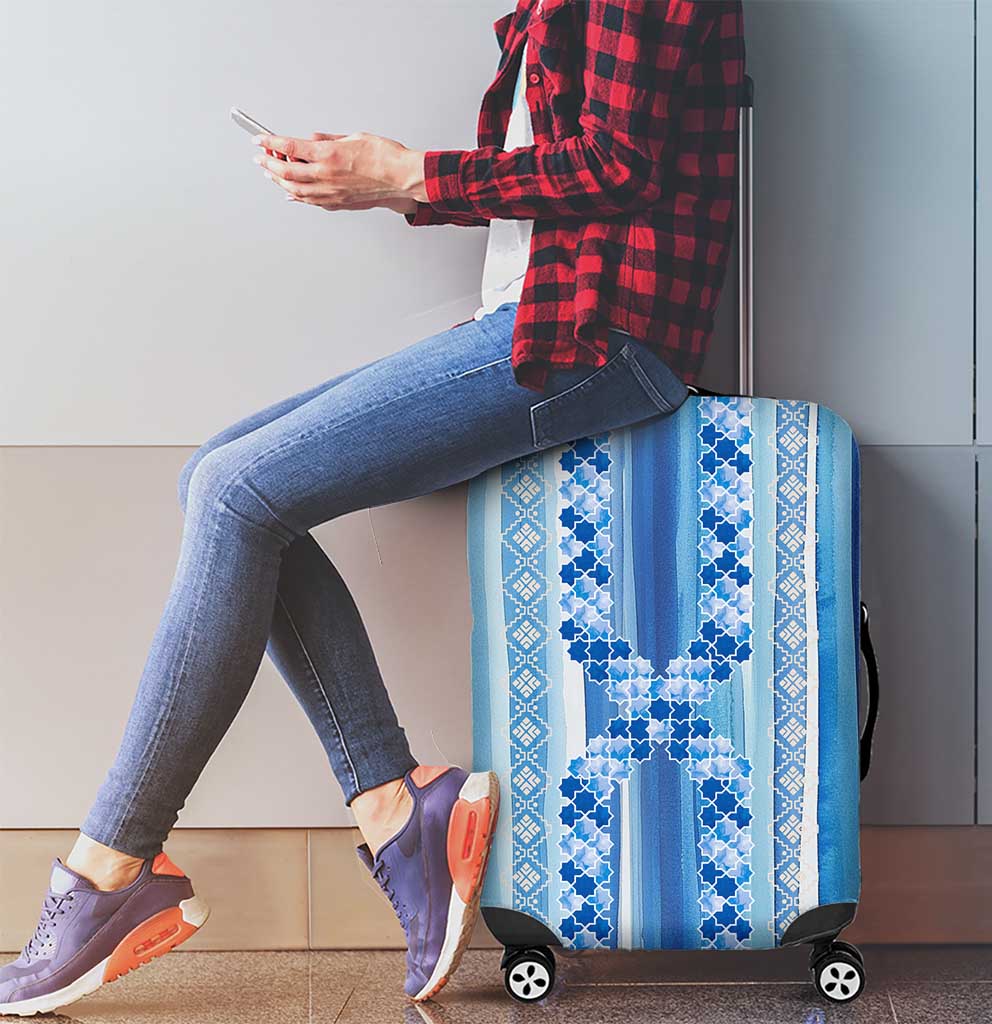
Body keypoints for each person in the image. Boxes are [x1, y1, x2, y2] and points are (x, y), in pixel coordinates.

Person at [0, 0, 744, 1015]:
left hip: (592, 335)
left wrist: (407, 173)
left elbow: (617, 164)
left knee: (232, 491)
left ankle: (110, 868)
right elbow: (563, 168)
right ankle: (396, 808)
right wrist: (381, 183)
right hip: (542, 316)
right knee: (220, 480)